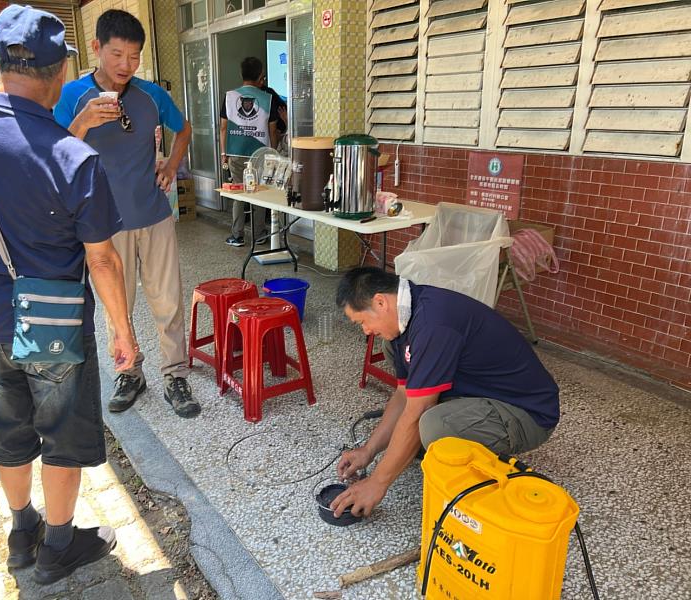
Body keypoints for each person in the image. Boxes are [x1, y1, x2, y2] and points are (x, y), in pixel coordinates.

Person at [0, 4, 138, 584]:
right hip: (53, 323)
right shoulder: (75, 157)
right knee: (62, 436)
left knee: (8, 431)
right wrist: (123, 332)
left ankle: (22, 531)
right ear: (64, 71)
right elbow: (102, 257)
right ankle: (59, 548)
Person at [54, 9, 199, 418]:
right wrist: (82, 123)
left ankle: (174, 374)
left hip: (154, 216)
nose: (125, 65)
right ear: (96, 48)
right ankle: (130, 372)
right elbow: (53, 156)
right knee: (119, 305)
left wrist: (171, 165)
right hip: (103, 226)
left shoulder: (151, 95)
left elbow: (184, 128)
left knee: (167, 301)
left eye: (134, 56)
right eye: (117, 54)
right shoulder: (72, 97)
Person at [331, 267, 560, 518]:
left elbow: (418, 411)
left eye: (362, 322)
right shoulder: (403, 321)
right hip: (480, 393)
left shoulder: (433, 325)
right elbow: (404, 395)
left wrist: (377, 483)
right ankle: (434, 444)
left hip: (527, 413)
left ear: (380, 302)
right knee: (415, 420)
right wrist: (369, 450)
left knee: (433, 426)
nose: (365, 331)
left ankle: (475, 471)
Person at [219, 57, 279, 247]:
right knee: (258, 193)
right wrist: (273, 152)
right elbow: (273, 131)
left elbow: (223, 128)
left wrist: (224, 153)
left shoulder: (230, 97)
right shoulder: (267, 99)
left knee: (239, 192)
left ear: (241, 74)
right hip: (260, 153)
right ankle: (259, 235)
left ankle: (237, 236)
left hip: (235, 152)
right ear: (261, 75)